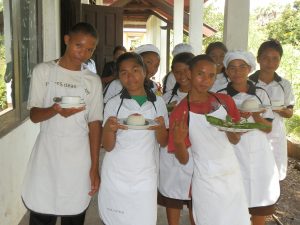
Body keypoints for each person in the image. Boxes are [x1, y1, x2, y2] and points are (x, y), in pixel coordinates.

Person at [22, 22, 103, 225]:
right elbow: (34, 116)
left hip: (78, 154)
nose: (83, 53)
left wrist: (95, 166)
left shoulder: (92, 81)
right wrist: (55, 110)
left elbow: (95, 124)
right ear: (67, 40)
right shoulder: (44, 71)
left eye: (89, 49)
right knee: (42, 210)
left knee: (74, 211)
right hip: (47, 151)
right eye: (78, 45)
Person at [169, 54, 250, 225]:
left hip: (231, 177)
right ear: (189, 74)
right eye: (200, 74)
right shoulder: (181, 111)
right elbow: (183, 160)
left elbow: (234, 141)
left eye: (211, 75)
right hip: (206, 181)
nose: (206, 80)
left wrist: (233, 133)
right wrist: (177, 141)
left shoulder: (225, 102)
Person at [98, 52, 168, 225]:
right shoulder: (114, 104)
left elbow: (164, 141)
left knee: (142, 219)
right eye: (124, 73)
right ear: (118, 77)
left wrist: (159, 128)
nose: (130, 77)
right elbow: (108, 146)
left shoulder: (158, 103)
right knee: (115, 219)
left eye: (135, 70)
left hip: (145, 175)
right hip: (116, 174)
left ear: (144, 71)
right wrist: (108, 130)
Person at [218, 50, 280, 225]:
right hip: (231, 151)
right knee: (232, 200)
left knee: (258, 200)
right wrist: (240, 117)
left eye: (242, 67)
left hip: (258, 153)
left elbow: (267, 128)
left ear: (250, 69)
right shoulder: (220, 95)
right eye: (232, 68)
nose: (237, 72)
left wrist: (257, 116)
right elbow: (218, 125)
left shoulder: (260, 93)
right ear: (227, 72)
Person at [158, 52, 195, 225]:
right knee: (172, 197)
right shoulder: (165, 99)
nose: (183, 76)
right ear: (172, 72)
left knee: (196, 200)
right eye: (178, 72)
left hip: (195, 154)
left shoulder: (205, 98)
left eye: (187, 71)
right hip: (170, 155)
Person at [249, 39, 294, 181]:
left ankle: (272, 201)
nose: (270, 63)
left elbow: (290, 112)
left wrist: (282, 111)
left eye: (275, 59)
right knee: (253, 171)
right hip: (254, 132)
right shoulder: (249, 83)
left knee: (275, 173)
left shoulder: (284, 84)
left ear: (280, 60)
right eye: (266, 58)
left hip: (276, 134)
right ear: (258, 59)